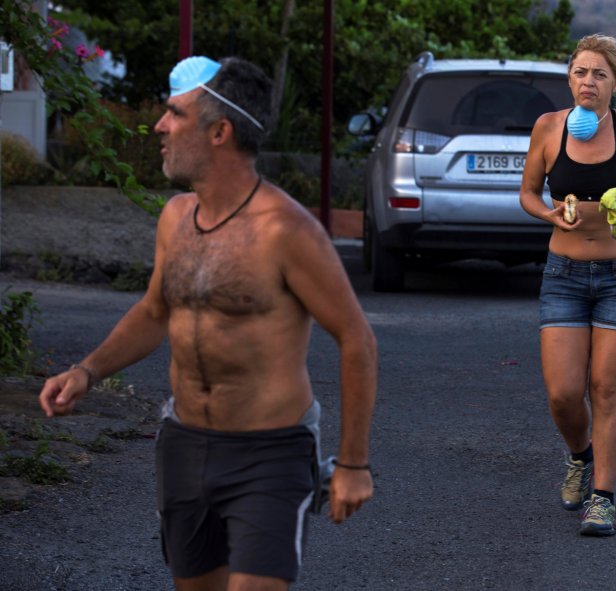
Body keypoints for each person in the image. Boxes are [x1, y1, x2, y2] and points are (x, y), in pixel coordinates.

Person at [38, 56, 378, 590]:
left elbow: (357, 338)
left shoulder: (286, 231)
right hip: (184, 443)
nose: (159, 126)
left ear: (219, 132)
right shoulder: (175, 217)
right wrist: (87, 371)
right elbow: (155, 311)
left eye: (174, 114)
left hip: (269, 453)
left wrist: (354, 463)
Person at [519, 34, 616, 536]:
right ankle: (580, 456)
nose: (589, 81)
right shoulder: (548, 127)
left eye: (599, 74)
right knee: (563, 393)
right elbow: (527, 193)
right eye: (581, 72)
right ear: (570, 78)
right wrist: (547, 214)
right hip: (563, 274)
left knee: (606, 387)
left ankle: (603, 498)